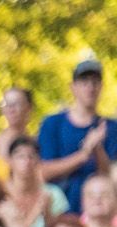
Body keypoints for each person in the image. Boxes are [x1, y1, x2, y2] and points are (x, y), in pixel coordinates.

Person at [39, 58, 117, 212]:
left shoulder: (111, 127)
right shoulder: (52, 124)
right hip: (60, 212)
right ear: (73, 87)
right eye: (84, 81)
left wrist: (98, 148)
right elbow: (43, 172)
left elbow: (110, 178)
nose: (90, 87)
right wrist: (83, 155)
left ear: (101, 87)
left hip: (98, 212)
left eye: (95, 82)